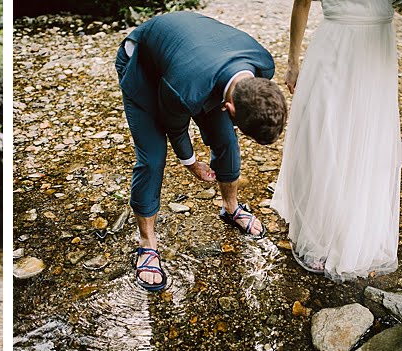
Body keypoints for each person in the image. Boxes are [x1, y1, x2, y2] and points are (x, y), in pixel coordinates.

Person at [114, 11, 289, 292]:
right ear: (229, 108)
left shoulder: (263, 64)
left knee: (228, 143)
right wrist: (192, 163)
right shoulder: (184, 90)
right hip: (143, 63)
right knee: (153, 158)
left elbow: (228, 122)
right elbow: (176, 128)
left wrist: (228, 130)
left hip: (196, 60)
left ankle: (231, 209)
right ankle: (147, 244)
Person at [271, 0, 401, 280]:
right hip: (337, 44)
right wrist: (293, 60)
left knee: (365, 134)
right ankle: (319, 232)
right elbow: (303, 2)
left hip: (377, 45)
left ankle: (354, 230)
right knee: (322, 129)